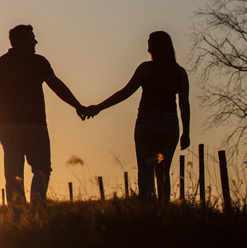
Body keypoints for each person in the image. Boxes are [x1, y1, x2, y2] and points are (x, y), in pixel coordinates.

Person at [80, 31, 190, 201]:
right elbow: (184, 104)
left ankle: (146, 208)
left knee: (145, 169)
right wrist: (186, 132)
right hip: (169, 123)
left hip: (147, 122)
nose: (147, 47)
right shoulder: (179, 72)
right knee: (163, 171)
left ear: (156, 46)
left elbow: (125, 93)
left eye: (150, 43)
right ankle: (164, 209)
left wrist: (99, 107)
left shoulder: (146, 69)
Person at [0, 24, 85, 207]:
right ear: (22, 40)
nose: (35, 41)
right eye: (32, 37)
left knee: (13, 173)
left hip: (8, 126)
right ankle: (37, 209)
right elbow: (56, 85)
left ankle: (18, 214)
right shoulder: (38, 61)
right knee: (41, 169)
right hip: (34, 124)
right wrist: (77, 106)